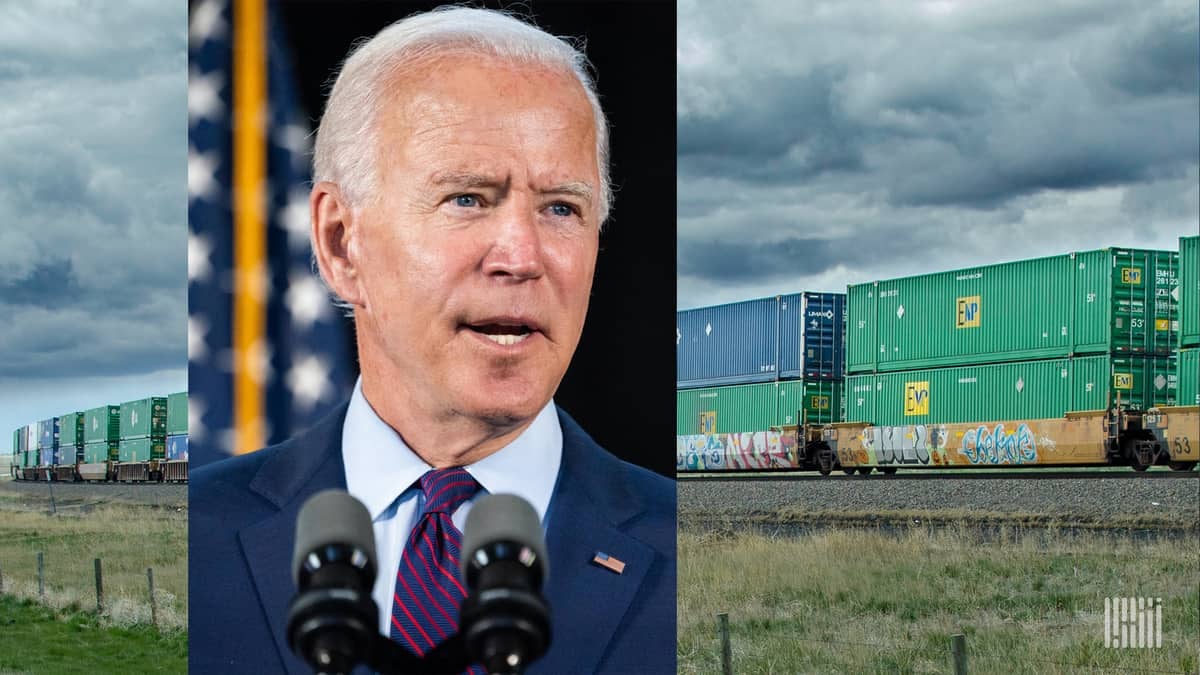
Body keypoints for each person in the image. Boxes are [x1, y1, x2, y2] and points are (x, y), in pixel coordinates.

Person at [189, 7, 676, 674]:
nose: (522, 255)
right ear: (340, 243)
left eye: (561, 206)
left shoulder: (699, 556)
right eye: (469, 199)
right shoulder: (189, 546)